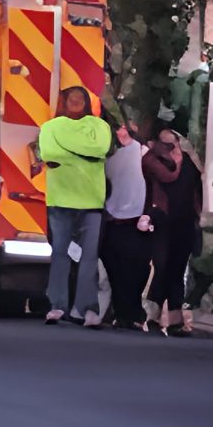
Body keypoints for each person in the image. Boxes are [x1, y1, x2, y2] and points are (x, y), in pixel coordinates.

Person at [33, 83, 114, 325]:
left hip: (91, 201)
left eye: (81, 97)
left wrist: (66, 153)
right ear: (64, 102)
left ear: (88, 102)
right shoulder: (49, 127)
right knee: (60, 254)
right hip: (60, 199)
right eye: (72, 98)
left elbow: (100, 149)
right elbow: (48, 154)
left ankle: (88, 309)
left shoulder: (99, 126)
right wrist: (84, 155)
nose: (76, 101)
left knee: (89, 257)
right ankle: (57, 306)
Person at [142, 120, 204, 335]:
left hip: (185, 220)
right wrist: (176, 159)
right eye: (166, 144)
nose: (171, 148)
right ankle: (153, 314)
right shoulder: (151, 160)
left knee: (177, 268)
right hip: (162, 220)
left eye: (174, 143)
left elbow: (198, 184)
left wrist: (198, 215)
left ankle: (173, 319)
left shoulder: (188, 161)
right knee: (162, 266)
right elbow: (168, 176)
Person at [97, 110, 153, 329]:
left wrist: (150, 214)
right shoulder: (105, 154)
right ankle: (124, 314)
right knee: (115, 269)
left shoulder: (143, 153)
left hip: (137, 220)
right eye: (116, 127)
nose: (120, 131)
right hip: (112, 218)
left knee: (138, 268)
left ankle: (133, 312)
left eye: (124, 126)